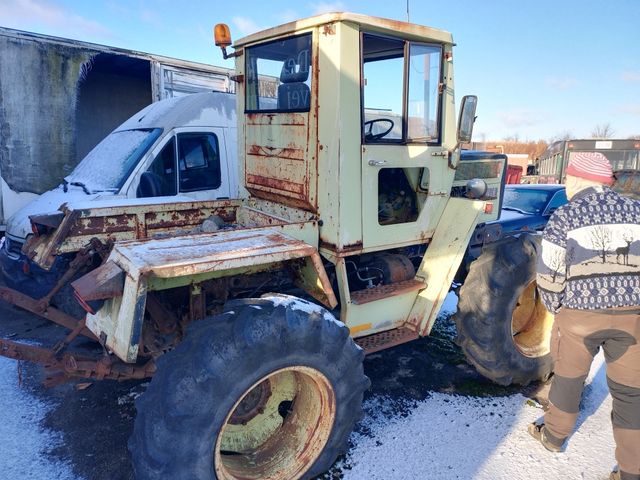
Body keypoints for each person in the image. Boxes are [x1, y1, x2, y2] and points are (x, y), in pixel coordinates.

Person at [529, 152, 640, 480]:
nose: (566, 184)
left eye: (568, 178)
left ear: (578, 180)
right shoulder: (637, 211)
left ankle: (553, 437)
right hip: (633, 318)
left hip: (580, 316)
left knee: (569, 378)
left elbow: (549, 276)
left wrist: (558, 310)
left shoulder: (565, 216)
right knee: (631, 393)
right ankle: (632, 471)